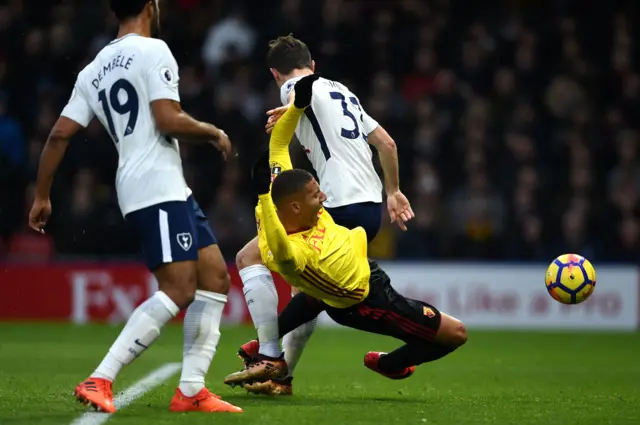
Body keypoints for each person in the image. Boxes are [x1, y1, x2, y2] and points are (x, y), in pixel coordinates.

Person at [27, 0, 241, 414]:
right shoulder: (154, 50)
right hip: (154, 184)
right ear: (150, 5)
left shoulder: (92, 70)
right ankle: (100, 377)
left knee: (214, 278)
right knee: (179, 288)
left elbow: (57, 136)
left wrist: (42, 195)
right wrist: (211, 130)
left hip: (165, 187)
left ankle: (192, 390)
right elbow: (167, 119)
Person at [224, 75, 467, 390]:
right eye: (316, 195)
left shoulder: (283, 197)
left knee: (313, 295)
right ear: (295, 209)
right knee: (456, 334)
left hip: (353, 277)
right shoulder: (294, 252)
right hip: (371, 300)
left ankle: (270, 354)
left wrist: (297, 106)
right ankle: (389, 363)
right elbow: (282, 250)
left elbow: (280, 143)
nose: (324, 197)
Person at [234, 35, 415, 395]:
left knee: (249, 256)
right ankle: (281, 378)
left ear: (274, 73)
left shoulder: (291, 89)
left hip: (335, 206)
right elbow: (388, 144)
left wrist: (291, 107)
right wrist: (393, 192)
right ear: (312, 63)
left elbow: (300, 95)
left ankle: (268, 352)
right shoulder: (344, 92)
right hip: (371, 210)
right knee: (309, 291)